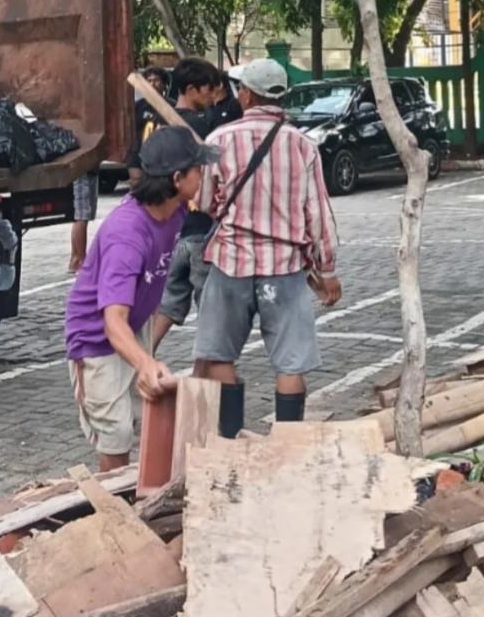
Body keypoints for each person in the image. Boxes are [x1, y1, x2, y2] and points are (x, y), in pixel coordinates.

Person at [192, 59, 342, 437]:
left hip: (230, 263)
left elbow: (206, 201)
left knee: (220, 356)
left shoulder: (216, 142)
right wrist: (327, 270)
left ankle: (230, 438)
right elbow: (318, 214)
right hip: (287, 269)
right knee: (290, 366)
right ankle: (287, 447)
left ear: (247, 94)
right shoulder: (304, 146)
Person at [65, 126, 220, 472]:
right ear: (177, 178)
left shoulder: (176, 208)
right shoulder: (127, 235)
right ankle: (115, 510)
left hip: (135, 324)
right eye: (199, 169)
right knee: (115, 434)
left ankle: (145, 494)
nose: (204, 174)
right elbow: (112, 321)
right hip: (97, 339)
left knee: (143, 414)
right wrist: (145, 363)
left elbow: (216, 199)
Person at [150, 58, 222, 349]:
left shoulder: (155, 121)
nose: (212, 96)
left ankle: (142, 356)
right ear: (191, 89)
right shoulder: (196, 127)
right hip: (198, 227)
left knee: (168, 302)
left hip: (167, 228)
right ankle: (210, 366)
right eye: (208, 89)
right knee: (211, 308)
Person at [127, 66, 170, 186]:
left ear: (164, 84)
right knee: (137, 187)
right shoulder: (138, 107)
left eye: (156, 80)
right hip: (139, 153)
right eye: (149, 80)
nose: (152, 84)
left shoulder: (172, 107)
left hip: (163, 157)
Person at [68, 172, 100, 273]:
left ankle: (76, 259)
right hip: (81, 173)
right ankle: (81, 260)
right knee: (81, 216)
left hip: (89, 170)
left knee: (83, 216)